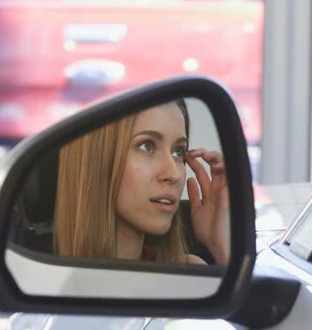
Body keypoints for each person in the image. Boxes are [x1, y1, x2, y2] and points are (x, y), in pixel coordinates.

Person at [53, 99, 230, 266]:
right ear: (96, 161)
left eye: (178, 151)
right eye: (147, 146)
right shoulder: (47, 282)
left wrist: (220, 245)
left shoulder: (190, 272)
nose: (174, 174)